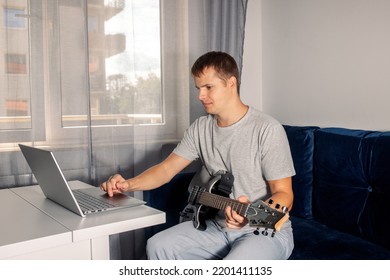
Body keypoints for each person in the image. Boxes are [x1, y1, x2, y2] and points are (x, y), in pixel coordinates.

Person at [100, 51, 295, 259]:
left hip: (264, 231)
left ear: (231, 83)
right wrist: (128, 185)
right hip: (216, 227)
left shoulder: (267, 129)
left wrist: (252, 215)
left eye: (208, 87)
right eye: (198, 88)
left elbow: (284, 194)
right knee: (158, 245)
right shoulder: (200, 128)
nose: (200, 96)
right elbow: (166, 170)